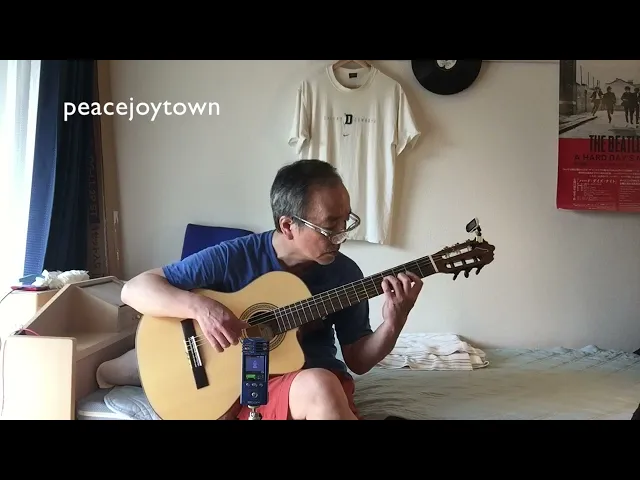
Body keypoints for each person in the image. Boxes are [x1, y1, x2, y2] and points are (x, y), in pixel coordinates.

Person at [121, 159, 424, 420]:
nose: (341, 236)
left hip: (312, 389)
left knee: (322, 384)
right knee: (322, 386)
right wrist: (201, 308)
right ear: (288, 226)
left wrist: (394, 322)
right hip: (242, 392)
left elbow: (358, 360)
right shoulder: (234, 256)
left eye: (346, 221)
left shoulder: (345, 273)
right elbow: (134, 290)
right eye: (330, 226)